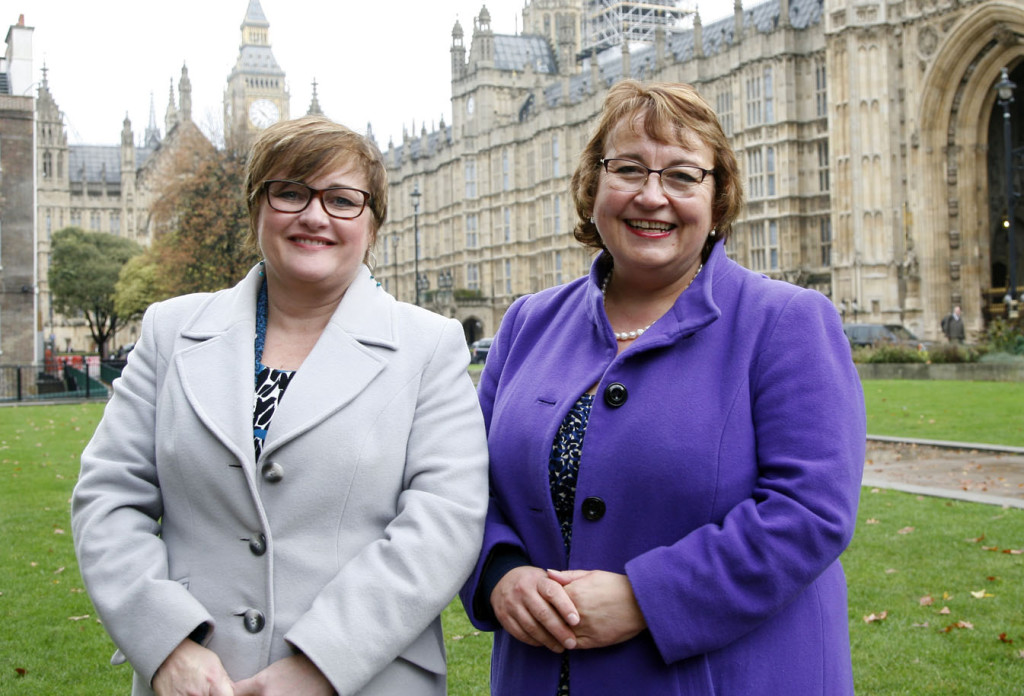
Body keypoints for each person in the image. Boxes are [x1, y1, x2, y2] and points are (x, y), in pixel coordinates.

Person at [459, 81, 866, 695]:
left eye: (682, 176)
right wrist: (499, 572)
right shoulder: (527, 323)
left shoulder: (785, 321)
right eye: (628, 169)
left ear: (717, 196)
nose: (652, 196)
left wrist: (646, 598)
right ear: (593, 185)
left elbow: (808, 512)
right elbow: (463, 485)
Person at [72, 115, 489, 696]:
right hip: (196, 680)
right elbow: (109, 498)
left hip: (365, 678)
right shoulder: (171, 331)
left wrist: (322, 663)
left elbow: (443, 523)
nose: (314, 215)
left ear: (373, 225)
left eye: (342, 199)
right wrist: (166, 645)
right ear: (257, 210)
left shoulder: (429, 346)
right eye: (290, 192)